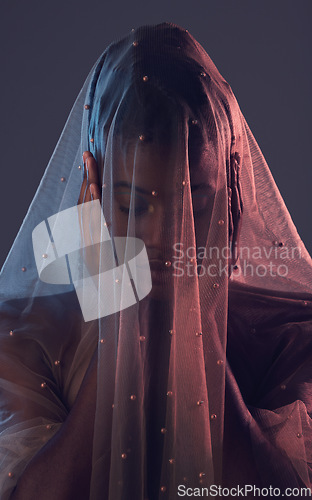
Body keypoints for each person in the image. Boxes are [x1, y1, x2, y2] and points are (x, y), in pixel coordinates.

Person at [0, 22, 312, 500]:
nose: (167, 236)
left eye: (195, 204)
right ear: (92, 191)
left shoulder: (292, 336)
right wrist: (118, 321)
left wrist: (196, 321)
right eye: (134, 204)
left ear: (233, 193)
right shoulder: (22, 343)